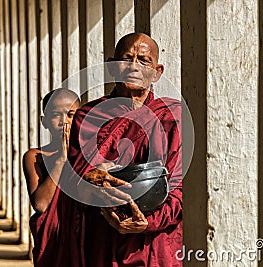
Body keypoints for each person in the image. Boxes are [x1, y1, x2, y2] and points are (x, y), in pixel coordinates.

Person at [64, 32, 183, 266]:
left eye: (144, 61)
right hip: (101, 233)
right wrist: (92, 179)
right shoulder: (88, 117)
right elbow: (74, 180)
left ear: (157, 73)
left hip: (151, 239)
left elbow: (180, 186)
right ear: (111, 67)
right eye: (126, 59)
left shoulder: (171, 117)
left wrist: (148, 222)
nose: (133, 67)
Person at [22, 88, 80, 266]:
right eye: (56, 115)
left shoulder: (89, 154)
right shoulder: (36, 156)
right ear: (44, 121)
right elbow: (40, 204)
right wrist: (62, 160)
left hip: (82, 234)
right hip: (53, 238)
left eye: (71, 114)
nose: (65, 122)